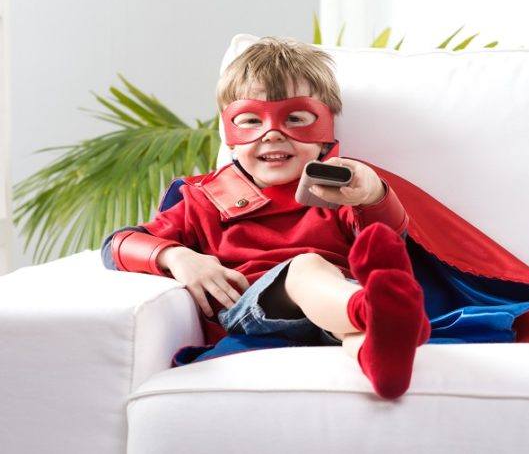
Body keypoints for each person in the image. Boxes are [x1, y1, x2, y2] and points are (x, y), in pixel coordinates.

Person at [101, 36, 431, 400]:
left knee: (360, 330)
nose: (273, 135)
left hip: (332, 310)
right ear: (231, 136)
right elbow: (117, 244)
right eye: (250, 120)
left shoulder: (340, 190)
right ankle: (368, 310)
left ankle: (380, 361)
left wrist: (373, 195)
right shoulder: (204, 199)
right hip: (252, 312)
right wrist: (178, 257)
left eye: (296, 119)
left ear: (325, 134)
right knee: (306, 267)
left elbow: (387, 236)